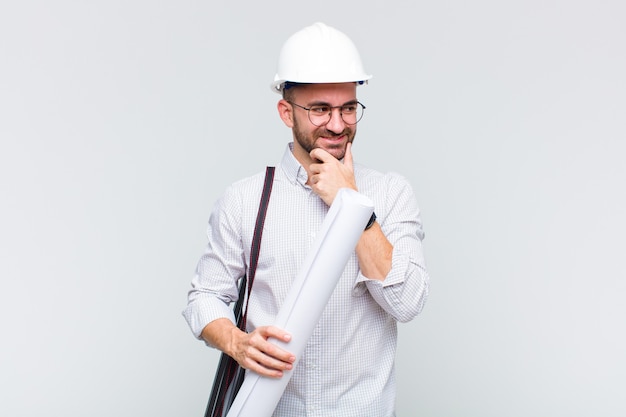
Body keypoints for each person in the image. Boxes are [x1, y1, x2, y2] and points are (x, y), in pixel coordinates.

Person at [183, 22, 430, 417]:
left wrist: (351, 204)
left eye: (348, 108)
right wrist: (236, 341)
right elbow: (205, 297)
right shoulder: (245, 200)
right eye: (320, 109)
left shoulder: (390, 193)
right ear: (286, 112)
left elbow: (406, 301)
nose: (337, 124)